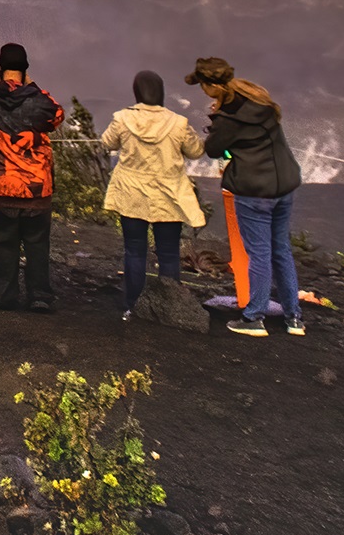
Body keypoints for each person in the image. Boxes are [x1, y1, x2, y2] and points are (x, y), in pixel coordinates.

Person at [190, 56, 304, 339]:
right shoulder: (259, 98)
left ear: (210, 86)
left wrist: (215, 120)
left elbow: (214, 149)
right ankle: (294, 319)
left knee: (260, 253)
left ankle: (254, 318)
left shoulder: (227, 118)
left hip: (253, 190)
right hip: (284, 183)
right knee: (281, 250)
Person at [100, 69, 205, 319]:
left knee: (135, 250)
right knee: (168, 252)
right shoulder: (178, 123)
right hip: (169, 196)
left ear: (136, 92)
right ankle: (170, 307)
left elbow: (107, 142)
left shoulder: (122, 118)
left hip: (132, 195)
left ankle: (132, 306)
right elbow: (196, 151)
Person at [0, 42, 64, 313]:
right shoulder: (40, 100)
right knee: (38, 244)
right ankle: (39, 295)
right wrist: (31, 85)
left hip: (2, 186)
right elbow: (57, 115)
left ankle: (6, 295)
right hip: (37, 188)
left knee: (5, 243)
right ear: (26, 70)